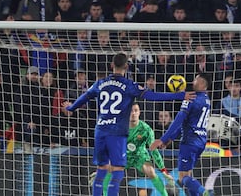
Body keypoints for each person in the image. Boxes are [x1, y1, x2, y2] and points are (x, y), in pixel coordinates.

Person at [63, 53, 195, 196]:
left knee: (113, 170)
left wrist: (71, 107)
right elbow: (153, 96)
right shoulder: (128, 86)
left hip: (105, 133)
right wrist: (180, 95)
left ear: (112, 65)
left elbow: (85, 97)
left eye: (135, 110)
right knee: (114, 173)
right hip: (118, 135)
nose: (133, 113)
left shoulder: (100, 83)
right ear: (126, 66)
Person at [90, 102, 175, 196]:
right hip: (123, 155)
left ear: (139, 112)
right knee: (109, 170)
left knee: (151, 172)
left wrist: (164, 171)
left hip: (139, 155)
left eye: (136, 110)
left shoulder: (146, 129)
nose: (133, 113)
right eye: (131, 111)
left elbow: (154, 150)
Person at [150, 73, 214, 196]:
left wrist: (163, 139)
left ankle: (205, 192)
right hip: (200, 141)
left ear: (202, 83)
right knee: (188, 175)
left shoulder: (191, 98)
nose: (193, 82)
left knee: (182, 178)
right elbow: (185, 123)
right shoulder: (206, 99)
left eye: (196, 79)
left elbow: (179, 119)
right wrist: (172, 138)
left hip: (189, 141)